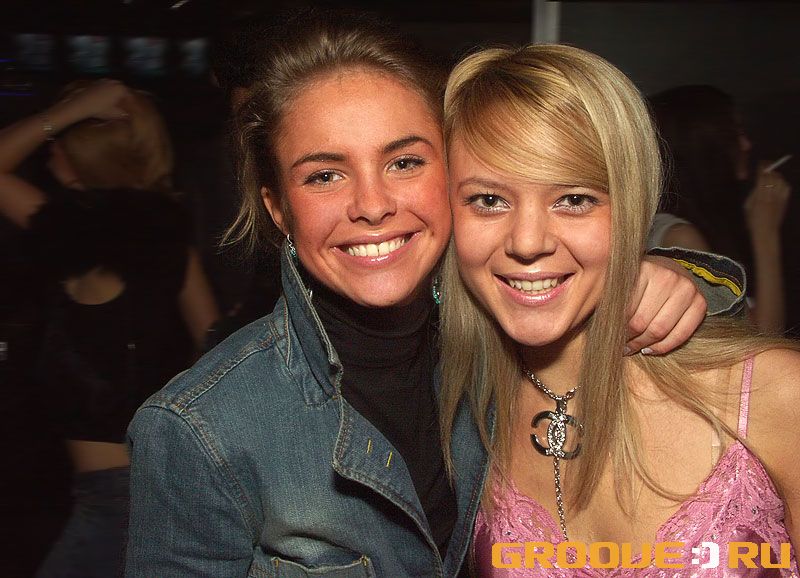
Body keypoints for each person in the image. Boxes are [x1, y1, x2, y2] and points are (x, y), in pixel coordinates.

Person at [125, 12, 744, 577]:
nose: (372, 206)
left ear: (453, 175)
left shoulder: (502, 335)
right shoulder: (202, 429)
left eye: (404, 163)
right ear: (278, 207)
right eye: (325, 175)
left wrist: (667, 274)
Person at [437, 44, 799, 576]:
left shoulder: (775, 394)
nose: (528, 242)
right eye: (489, 200)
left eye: (574, 199)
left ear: (631, 209)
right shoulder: (448, 415)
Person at [0, 79, 219, 577]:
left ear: (88, 154)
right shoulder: (167, 241)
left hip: (113, 499)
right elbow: (215, 345)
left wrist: (71, 108)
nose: (52, 147)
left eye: (65, 138)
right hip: (154, 485)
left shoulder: (80, 237)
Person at [650, 85, 792, 334]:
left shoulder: (688, 223)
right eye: (735, 133)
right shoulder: (679, 237)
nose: (746, 145)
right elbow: (759, 341)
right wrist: (765, 233)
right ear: (702, 148)